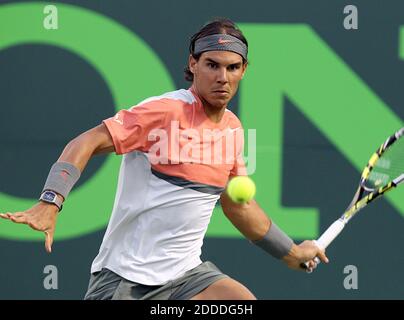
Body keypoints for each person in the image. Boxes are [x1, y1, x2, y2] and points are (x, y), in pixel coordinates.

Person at [0, 18, 328, 300]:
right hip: (125, 279)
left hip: (186, 276)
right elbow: (86, 141)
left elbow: (238, 206)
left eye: (232, 67)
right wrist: (50, 201)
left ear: (244, 70)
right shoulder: (166, 111)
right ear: (193, 64)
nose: (222, 77)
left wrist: (291, 252)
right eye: (212, 65)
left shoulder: (233, 129)